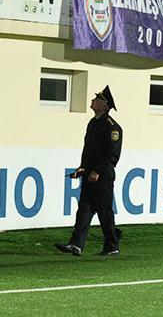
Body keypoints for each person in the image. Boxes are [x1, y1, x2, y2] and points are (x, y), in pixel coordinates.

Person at [56, 86, 123, 257]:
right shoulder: (93, 123)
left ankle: (112, 245)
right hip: (89, 174)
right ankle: (76, 244)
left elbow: (112, 156)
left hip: (103, 176)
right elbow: (89, 151)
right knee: (84, 210)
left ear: (103, 105)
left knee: (104, 212)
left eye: (96, 99)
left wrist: (97, 171)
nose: (92, 101)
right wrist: (82, 167)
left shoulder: (112, 128)